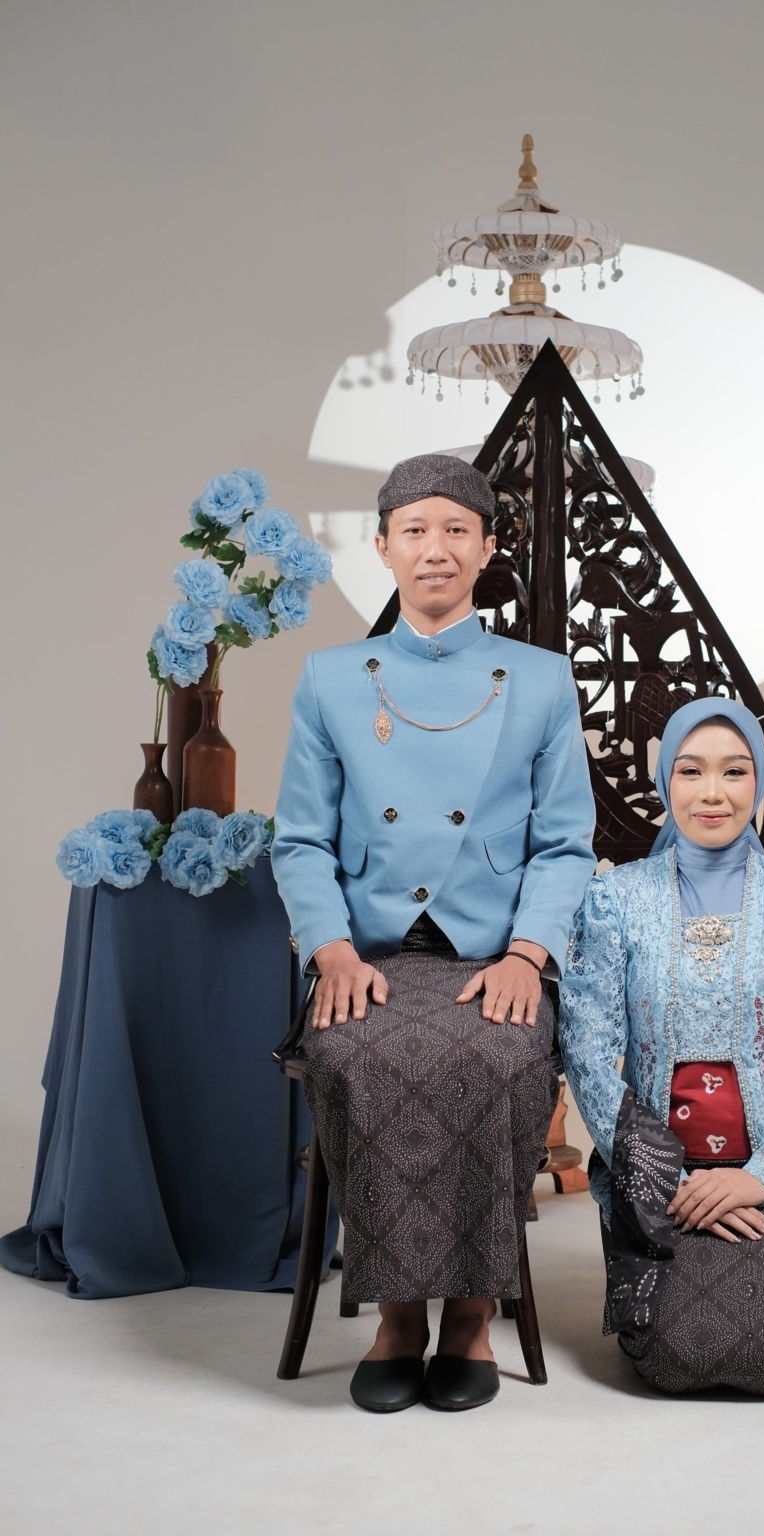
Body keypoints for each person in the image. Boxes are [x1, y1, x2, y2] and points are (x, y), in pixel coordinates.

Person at [271, 454, 595, 1413]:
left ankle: (470, 1316)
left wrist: (529, 956)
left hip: (496, 955)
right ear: (383, 548)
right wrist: (329, 949)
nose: (436, 549)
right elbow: (299, 840)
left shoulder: (541, 679)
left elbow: (567, 845)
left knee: (498, 1055)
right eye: (415, 530)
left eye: (457, 529)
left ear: (488, 549)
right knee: (355, 1052)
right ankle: (398, 1317)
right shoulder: (331, 678)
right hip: (367, 953)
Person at [558, 696, 764, 1396]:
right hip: (659, 1179)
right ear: (664, 782)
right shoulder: (613, 901)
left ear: (760, 782)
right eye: (691, 771)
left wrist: (762, 1176)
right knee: (677, 1357)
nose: (712, 793)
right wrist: (665, 1177)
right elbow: (587, 1054)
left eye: (735, 772)